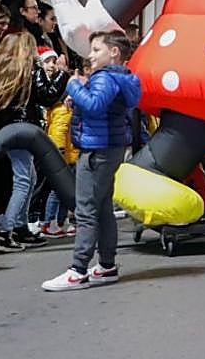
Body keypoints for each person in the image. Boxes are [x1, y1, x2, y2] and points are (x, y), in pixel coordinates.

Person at [42, 31, 140, 291]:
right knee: (103, 207)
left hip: (96, 150)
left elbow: (95, 105)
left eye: (97, 50)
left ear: (114, 52)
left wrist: (73, 86)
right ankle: (106, 265)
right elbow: (101, 108)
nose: (91, 55)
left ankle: (78, 270)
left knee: (86, 209)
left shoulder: (105, 78)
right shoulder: (123, 77)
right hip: (110, 147)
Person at [0, 33, 48, 251]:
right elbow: (47, 95)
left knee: (29, 177)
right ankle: (7, 231)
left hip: (7, 131)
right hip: (21, 132)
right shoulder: (28, 73)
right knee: (24, 179)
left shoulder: (4, 72)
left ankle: (19, 226)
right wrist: (60, 75)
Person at [41, 95, 79, 237]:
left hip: (69, 154)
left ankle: (60, 221)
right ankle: (50, 222)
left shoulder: (64, 108)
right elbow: (59, 132)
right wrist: (60, 151)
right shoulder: (63, 110)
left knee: (66, 191)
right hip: (65, 155)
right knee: (58, 191)